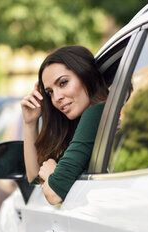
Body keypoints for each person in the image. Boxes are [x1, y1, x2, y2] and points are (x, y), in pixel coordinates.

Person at [20, 45, 108, 205]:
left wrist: (53, 175)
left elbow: (53, 194)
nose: (56, 97)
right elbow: (35, 178)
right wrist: (30, 122)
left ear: (85, 75)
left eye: (63, 83)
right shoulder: (83, 120)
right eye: (49, 92)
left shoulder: (96, 112)